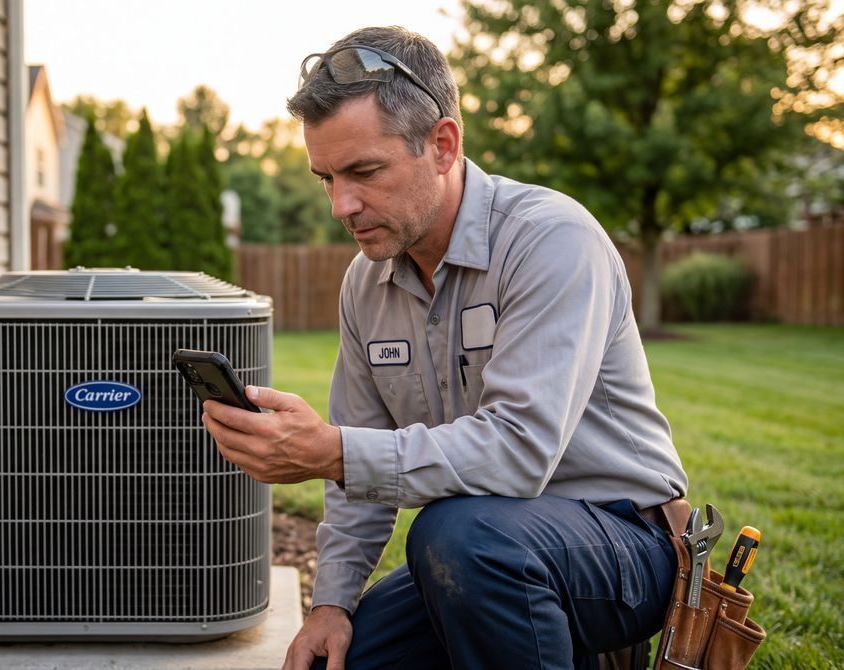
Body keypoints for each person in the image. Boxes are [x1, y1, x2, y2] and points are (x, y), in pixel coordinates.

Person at [200, 26, 688, 670]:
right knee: (350, 659)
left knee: (456, 534)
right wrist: (332, 603)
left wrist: (333, 452)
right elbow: (358, 460)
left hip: (625, 541)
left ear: (442, 144)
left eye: (364, 172)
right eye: (326, 178)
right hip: (490, 547)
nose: (342, 205)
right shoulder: (365, 284)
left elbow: (518, 451)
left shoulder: (551, 240)